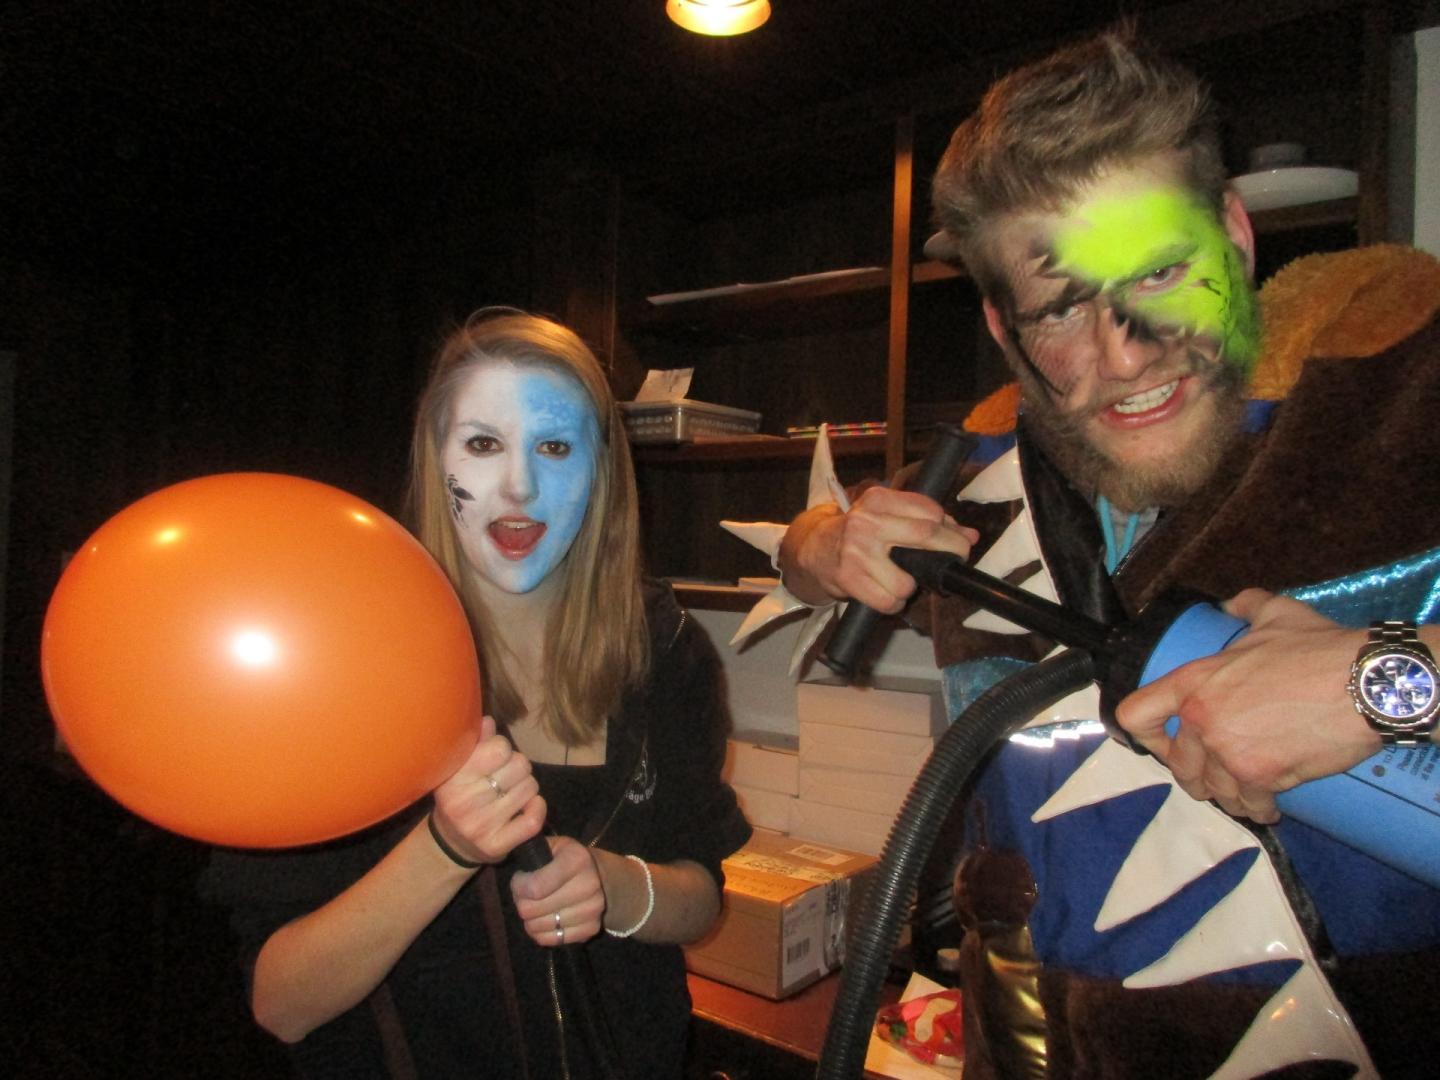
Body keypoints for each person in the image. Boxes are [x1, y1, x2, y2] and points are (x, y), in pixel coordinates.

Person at [778, 29, 1440, 1080]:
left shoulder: (1402, 391)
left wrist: (1387, 682)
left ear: (1235, 235)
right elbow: (805, 551)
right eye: (1060, 309)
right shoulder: (982, 464)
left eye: (1163, 270)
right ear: (1004, 328)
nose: (1126, 354)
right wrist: (827, 543)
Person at [204, 310, 751, 1079]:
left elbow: (701, 896)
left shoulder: (662, 648)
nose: (519, 486)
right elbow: (281, 1001)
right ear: (435, 460)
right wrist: (445, 850)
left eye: (555, 447)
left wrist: (617, 887)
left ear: (602, 470)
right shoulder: (339, 658)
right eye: (484, 444)